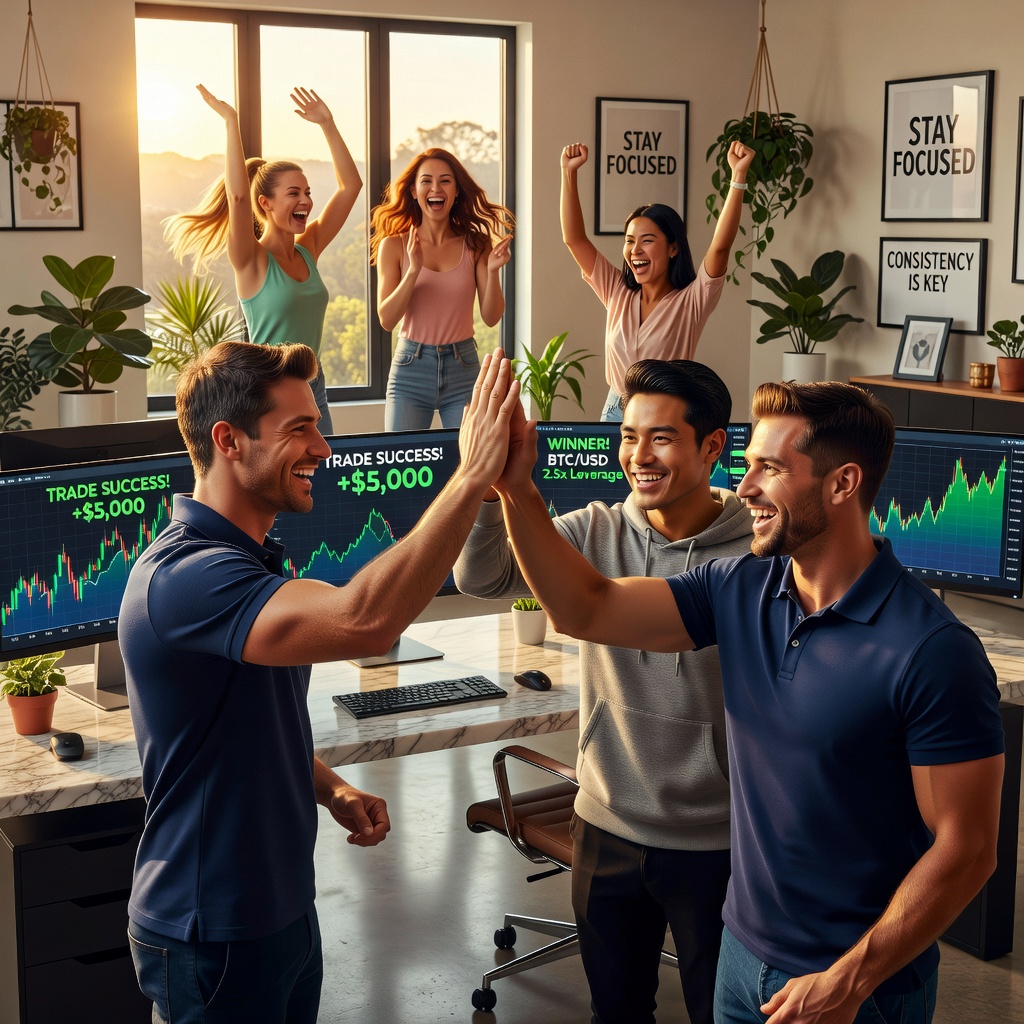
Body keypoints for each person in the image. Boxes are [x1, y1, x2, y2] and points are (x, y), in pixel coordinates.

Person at [487, 378, 1005, 1024]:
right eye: (748, 464)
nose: (747, 487)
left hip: (859, 989)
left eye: (770, 468)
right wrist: (514, 488)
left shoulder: (932, 650)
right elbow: (585, 607)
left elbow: (968, 849)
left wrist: (849, 980)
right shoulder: (739, 588)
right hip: (740, 957)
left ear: (843, 484)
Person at [119, 341, 519, 1024]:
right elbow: (366, 621)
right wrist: (470, 474)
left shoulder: (248, 562)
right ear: (229, 441)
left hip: (279, 908)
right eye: (300, 428)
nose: (325, 448)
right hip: (211, 927)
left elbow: (240, 728)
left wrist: (330, 788)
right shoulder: (189, 579)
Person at [454, 359, 753, 1024]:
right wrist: (485, 488)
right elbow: (484, 577)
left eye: (661, 438)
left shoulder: (757, 552)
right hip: (608, 825)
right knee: (615, 1013)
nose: (636, 456)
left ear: (713, 446)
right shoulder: (595, 531)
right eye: (626, 435)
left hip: (719, 840)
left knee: (723, 1014)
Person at [165, 84, 363, 432]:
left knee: (323, 481)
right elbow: (238, 197)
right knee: (280, 485)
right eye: (293, 193)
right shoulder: (251, 260)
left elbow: (351, 186)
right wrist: (231, 121)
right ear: (265, 204)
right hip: (269, 391)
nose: (305, 200)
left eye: (307, 192)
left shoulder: (309, 247)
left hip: (312, 385)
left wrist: (327, 124)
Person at [559, 139, 754, 422]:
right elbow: (574, 239)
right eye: (629, 241)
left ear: (674, 248)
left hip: (666, 413)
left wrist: (738, 177)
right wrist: (569, 172)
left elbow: (721, 247)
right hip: (615, 411)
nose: (635, 250)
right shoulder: (617, 291)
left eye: (647, 241)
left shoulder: (692, 300)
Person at [370, 147, 514, 431]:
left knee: (468, 465)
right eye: (426, 181)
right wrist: (413, 270)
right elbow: (387, 320)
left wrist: (493, 271)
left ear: (457, 190)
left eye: (445, 180)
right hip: (411, 368)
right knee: (403, 466)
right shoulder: (394, 246)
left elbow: (491, 316)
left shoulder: (476, 243)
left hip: (463, 367)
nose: (436, 188)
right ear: (413, 191)